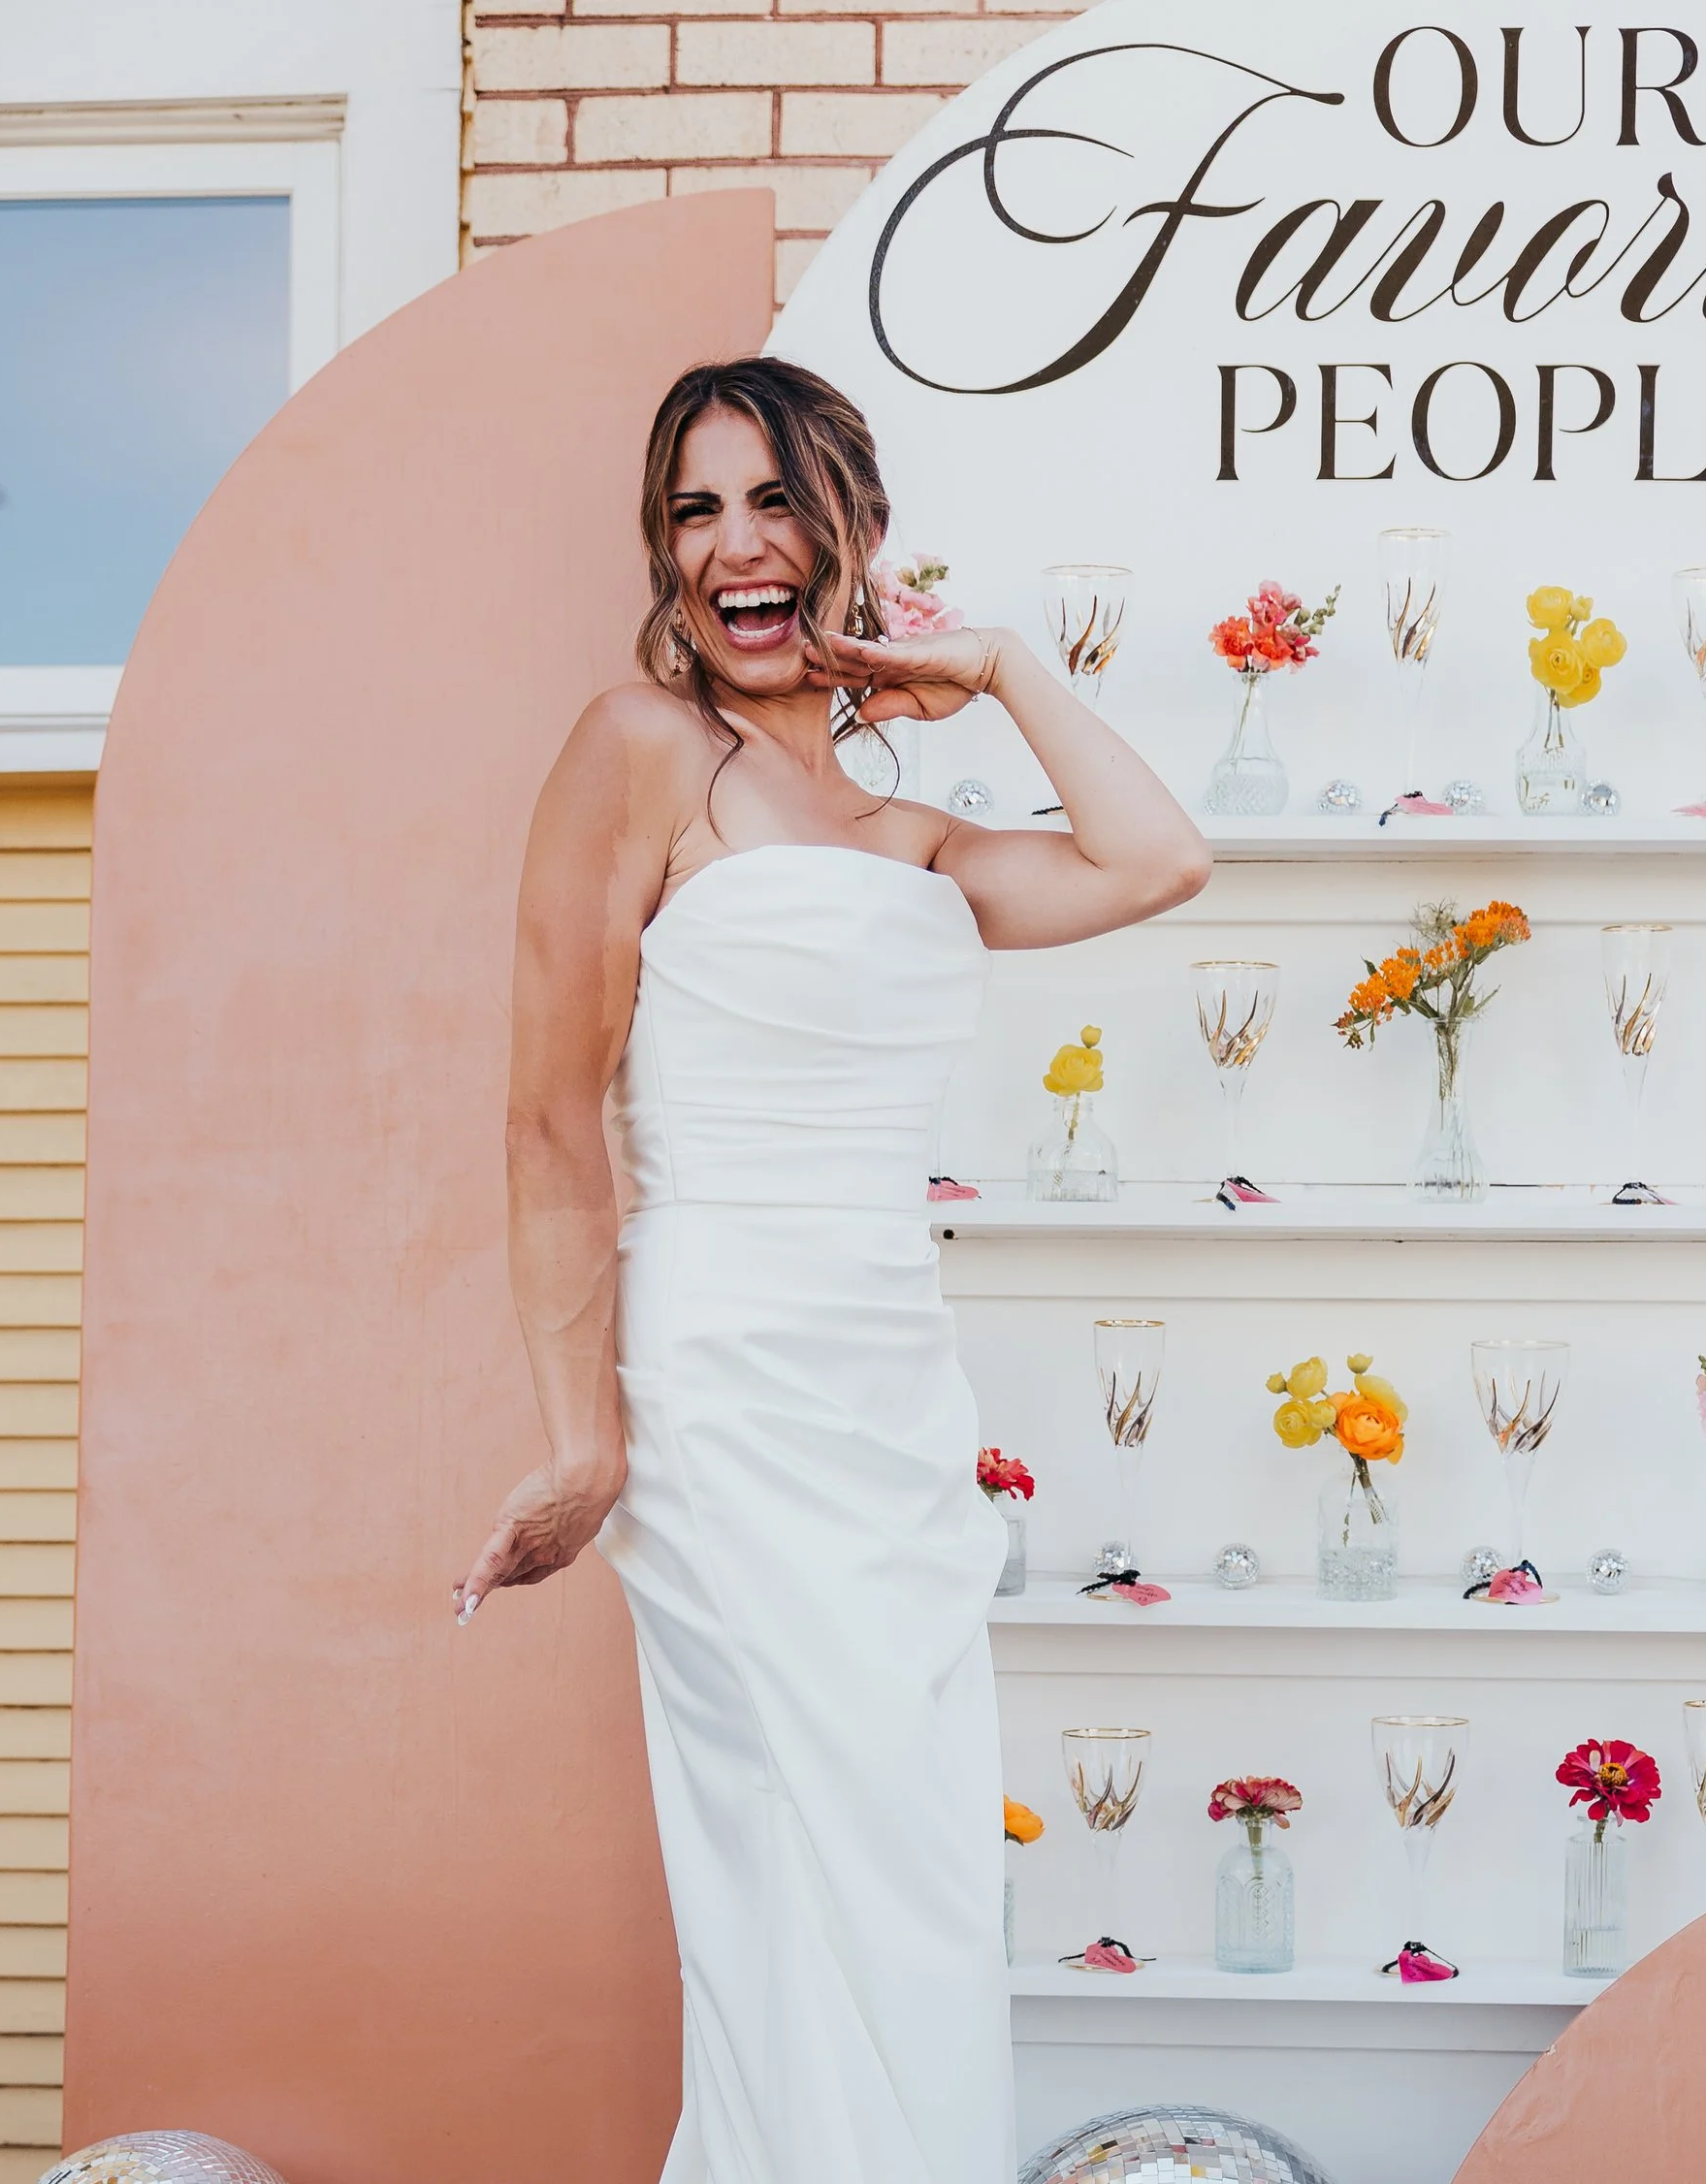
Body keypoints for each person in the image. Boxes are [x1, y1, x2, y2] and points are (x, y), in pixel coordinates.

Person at [452, 355, 1208, 2183]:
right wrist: (587, 1440)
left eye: (775, 501)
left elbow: (1161, 858)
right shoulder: (634, 753)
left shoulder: (914, 834)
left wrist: (1003, 666)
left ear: (850, 530)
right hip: (725, 1388)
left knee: (921, 1866)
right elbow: (553, 1122)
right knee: (793, 1857)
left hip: (891, 1392)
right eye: (696, 511)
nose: (736, 547)